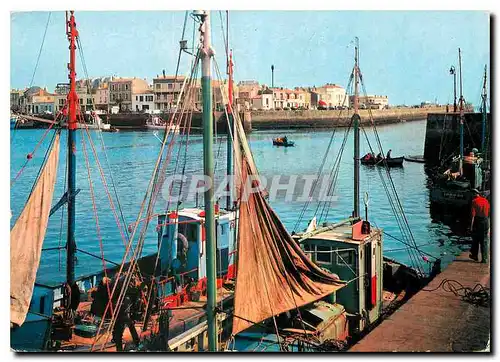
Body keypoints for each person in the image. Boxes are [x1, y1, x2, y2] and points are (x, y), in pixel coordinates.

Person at [469, 189, 490, 263]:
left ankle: (474, 255)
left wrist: (471, 227)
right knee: (484, 240)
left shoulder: (474, 201)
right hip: (486, 221)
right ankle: (485, 259)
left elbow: (473, 215)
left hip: (478, 221)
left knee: (475, 238)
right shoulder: (485, 200)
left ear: (474, 194)